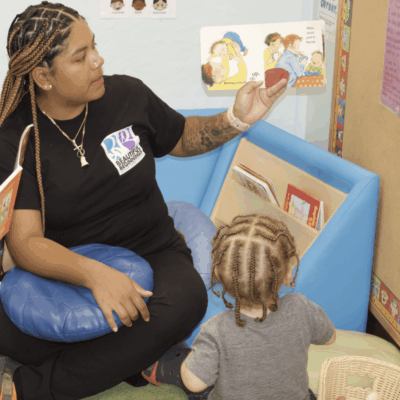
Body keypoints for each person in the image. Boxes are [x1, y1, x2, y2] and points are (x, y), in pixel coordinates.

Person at [0, 2, 287, 400]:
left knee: (187, 301)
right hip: (68, 269)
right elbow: (25, 243)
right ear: (43, 76)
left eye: (95, 47)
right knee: (12, 332)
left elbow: (182, 135)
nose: (99, 60)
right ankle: (147, 359)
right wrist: (95, 276)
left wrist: (236, 119)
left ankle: (29, 388)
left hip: (151, 250)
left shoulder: (126, 95)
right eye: (81, 57)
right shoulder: (17, 138)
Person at [177, 213, 336, 399]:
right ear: (287, 275)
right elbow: (330, 337)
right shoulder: (301, 306)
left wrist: (189, 362)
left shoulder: (217, 329)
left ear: (219, 276)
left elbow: (194, 383)